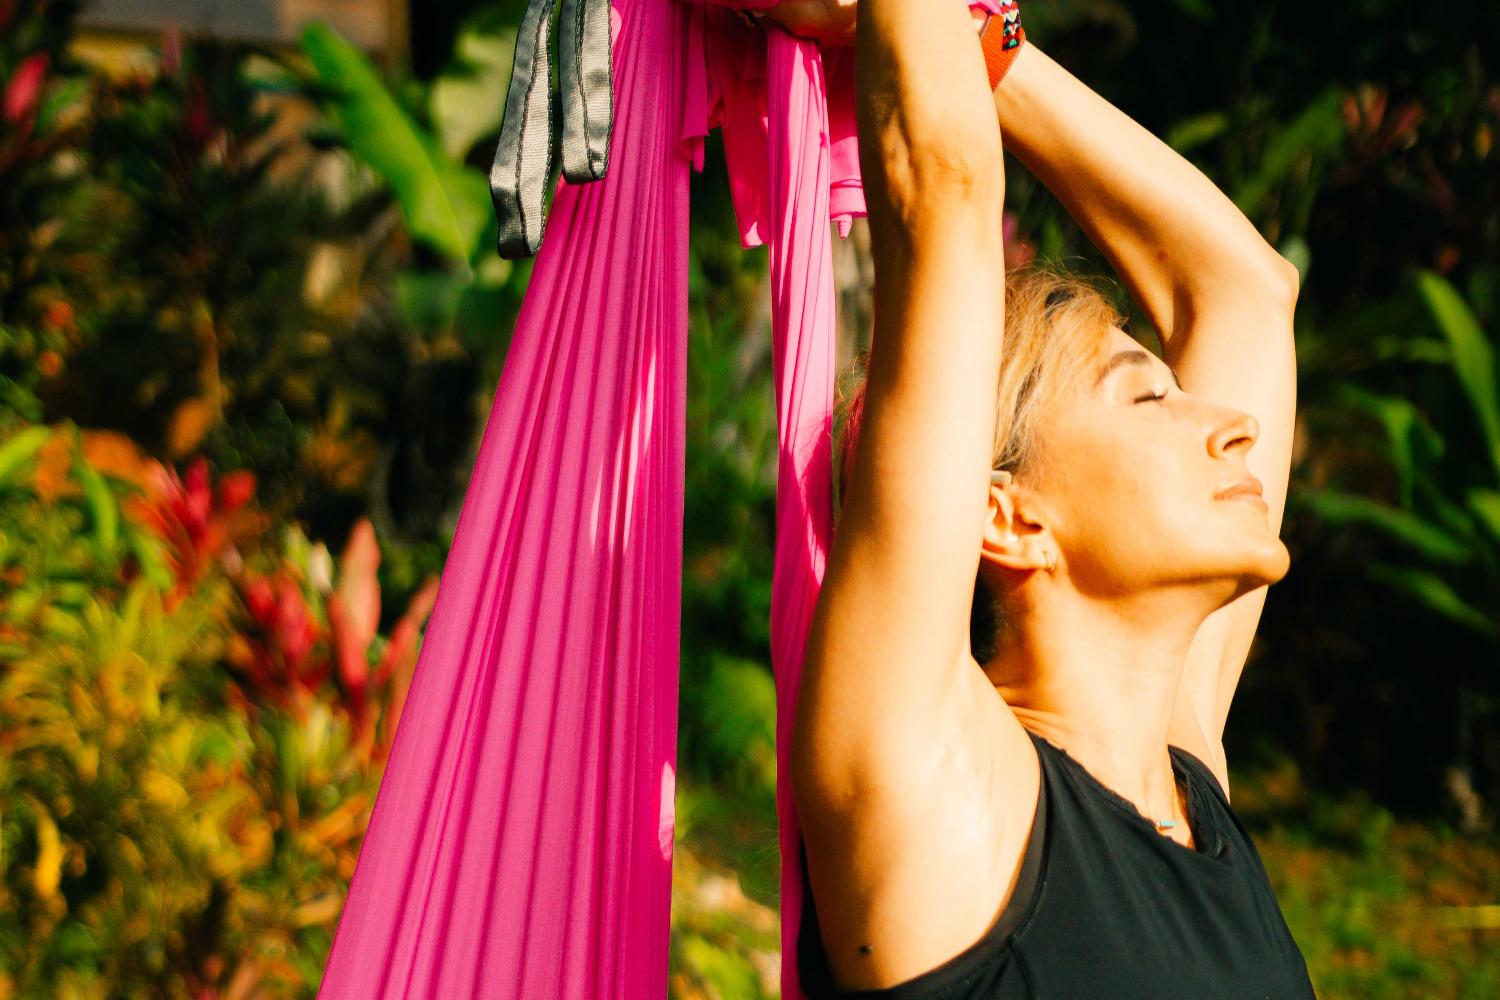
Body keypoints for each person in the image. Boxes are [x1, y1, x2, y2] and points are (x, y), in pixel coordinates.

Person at [767, 0, 1317, 996]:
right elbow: (946, 191)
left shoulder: (1183, 768)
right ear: (1005, 513)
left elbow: (1242, 289)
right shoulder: (935, 794)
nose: (1232, 425)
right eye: (1148, 393)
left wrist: (986, 41)